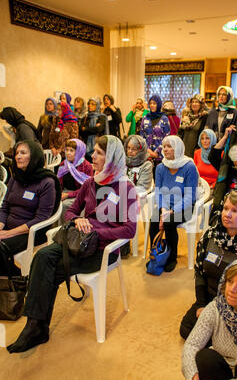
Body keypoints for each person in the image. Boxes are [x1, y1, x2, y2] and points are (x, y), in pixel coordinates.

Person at [6, 135, 138, 353]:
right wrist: (78, 220)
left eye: (98, 153)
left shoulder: (126, 188)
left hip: (103, 250)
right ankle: (34, 326)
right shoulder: (90, 183)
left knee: (48, 269)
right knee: (42, 257)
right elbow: (69, 211)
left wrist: (96, 230)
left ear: (112, 157)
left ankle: (35, 328)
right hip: (78, 241)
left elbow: (130, 230)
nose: (92, 156)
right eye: (93, 151)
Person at [179, 191, 237, 340]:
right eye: (226, 209)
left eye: (235, 211)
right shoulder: (209, 237)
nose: (227, 214)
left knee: (231, 337)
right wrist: (201, 304)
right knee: (186, 330)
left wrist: (231, 312)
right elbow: (200, 272)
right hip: (209, 298)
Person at [0, 140, 61, 276]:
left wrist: (8, 233)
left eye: (23, 153)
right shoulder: (15, 178)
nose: (18, 156)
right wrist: (1, 226)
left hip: (32, 232)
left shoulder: (47, 181)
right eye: (16, 153)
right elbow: (4, 207)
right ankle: (14, 277)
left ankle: (16, 283)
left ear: (34, 156)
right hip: (8, 227)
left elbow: (41, 218)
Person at [148, 135, 198, 273]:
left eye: (169, 146)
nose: (165, 149)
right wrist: (164, 209)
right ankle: (156, 254)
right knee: (153, 221)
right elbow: (158, 192)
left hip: (185, 206)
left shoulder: (189, 167)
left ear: (178, 148)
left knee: (170, 222)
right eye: (164, 146)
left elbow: (189, 196)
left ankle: (171, 258)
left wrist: (171, 212)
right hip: (166, 205)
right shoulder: (160, 167)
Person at [57, 139, 94, 223]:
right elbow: (59, 183)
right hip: (65, 192)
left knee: (64, 205)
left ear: (79, 152)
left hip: (80, 194)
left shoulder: (86, 166)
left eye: (72, 151)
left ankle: (64, 228)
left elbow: (86, 189)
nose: (68, 153)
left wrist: (68, 195)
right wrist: (58, 193)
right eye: (67, 150)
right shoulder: (64, 164)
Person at [140, 95, 170, 174]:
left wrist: (156, 152)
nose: (152, 105)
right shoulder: (145, 118)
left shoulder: (164, 119)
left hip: (160, 157)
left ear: (159, 104)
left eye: (154, 103)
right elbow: (142, 136)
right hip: (147, 155)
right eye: (151, 103)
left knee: (158, 180)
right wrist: (148, 150)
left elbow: (166, 138)